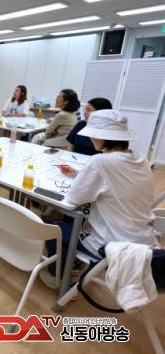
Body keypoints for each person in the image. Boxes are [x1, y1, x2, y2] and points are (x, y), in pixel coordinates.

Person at [41, 109, 157, 287]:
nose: (91, 139)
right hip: (143, 240)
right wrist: (80, 174)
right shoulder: (140, 158)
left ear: (103, 137)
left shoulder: (100, 161)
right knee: (77, 221)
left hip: (113, 243)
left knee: (53, 230)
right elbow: (115, 183)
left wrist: (85, 176)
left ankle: (59, 279)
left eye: (93, 135)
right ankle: (75, 263)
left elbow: (73, 199)